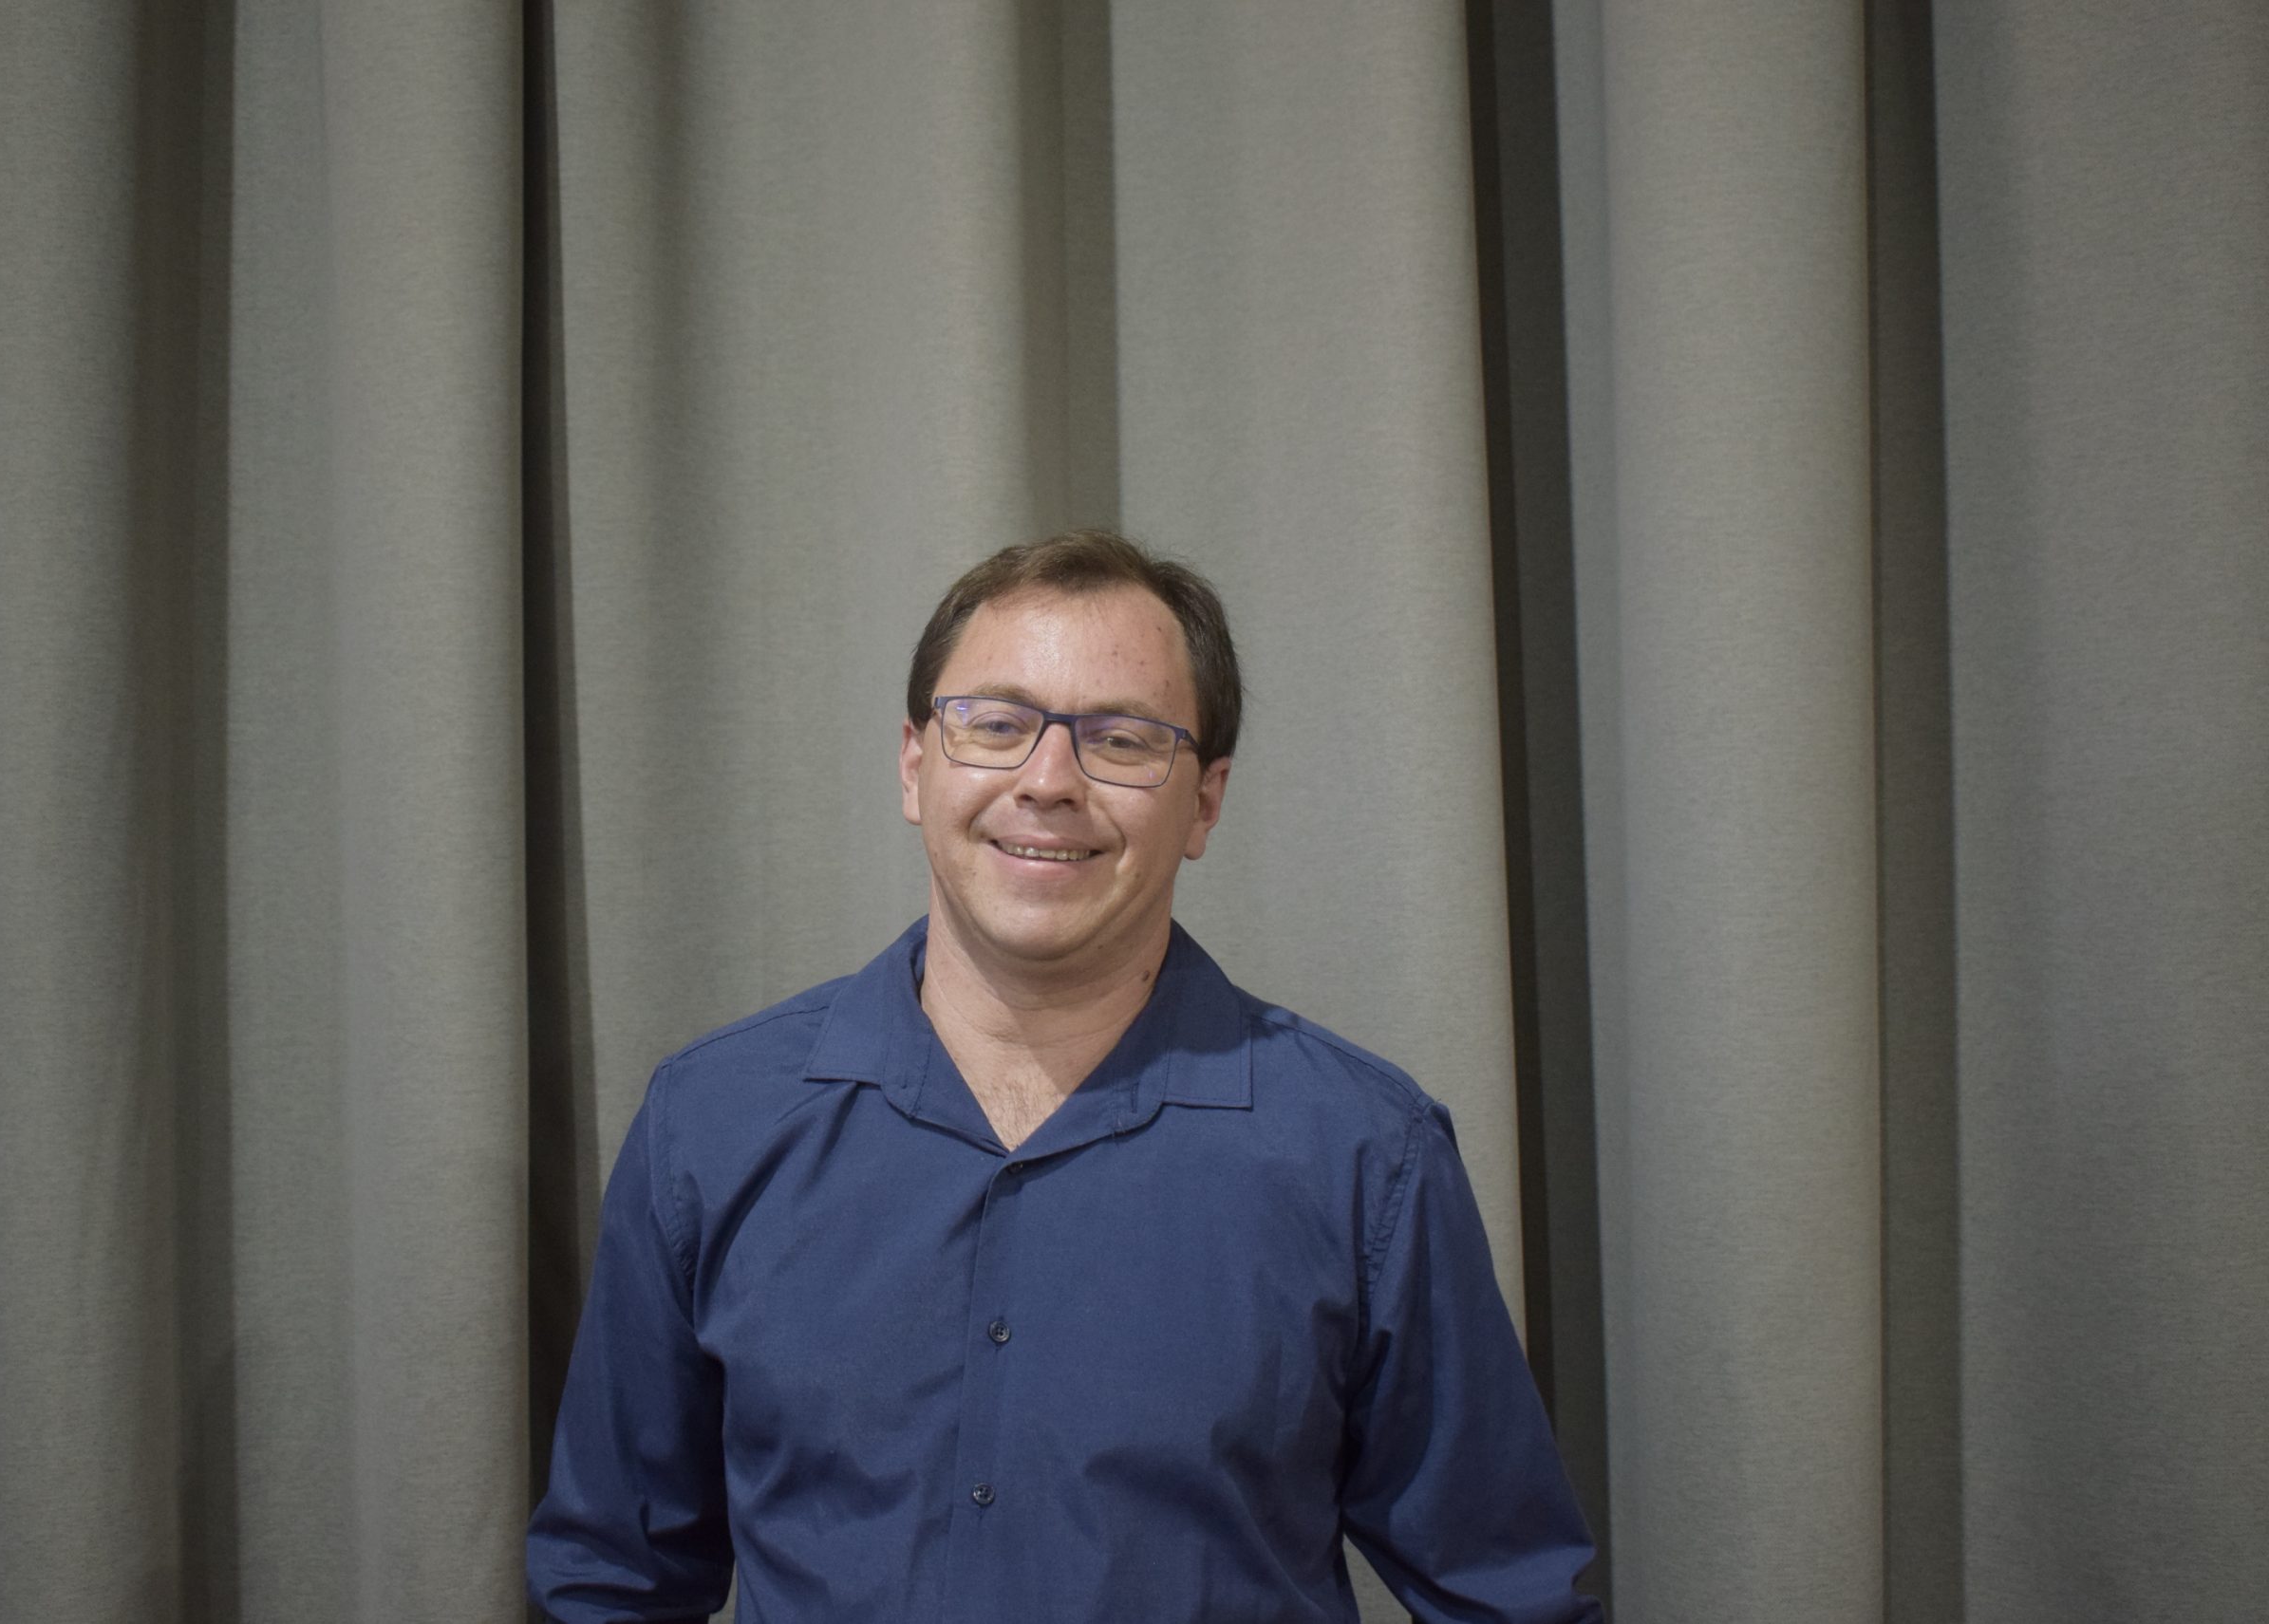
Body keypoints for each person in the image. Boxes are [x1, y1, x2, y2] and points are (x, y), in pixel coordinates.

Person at [528, 531, 1602, 1623]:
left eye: (1122, 740)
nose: (1047, 782)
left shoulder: (1365, 1156)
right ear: (914, 765)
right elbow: (612, 1583)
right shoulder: (710, 1124)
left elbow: (1505, 1598)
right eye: (995, 724)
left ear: (1205, 803)